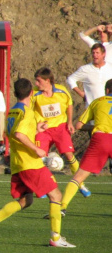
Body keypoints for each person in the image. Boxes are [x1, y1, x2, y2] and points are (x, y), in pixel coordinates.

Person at [0, 78, 75, 248]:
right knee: (56, 196)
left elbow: (13, 132)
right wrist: (37, 150)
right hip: (31, 163)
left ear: (15, 94)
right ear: (31, 93)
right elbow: (19, 135)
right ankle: (56, 237)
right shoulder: (28, 112)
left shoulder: (13, 112)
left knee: (26, 200)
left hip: (17, 164)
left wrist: (36, 130)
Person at [31, 67, 90, 198]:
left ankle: (80, 185)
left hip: (60, 128)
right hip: (44, 130)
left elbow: (69, 104)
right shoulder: (34, 94)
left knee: (69, 155)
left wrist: (69, 122)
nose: (36, 84)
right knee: (38, 158)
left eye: (38, 81)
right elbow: (28, 109)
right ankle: (41, 189)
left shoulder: (61, 91)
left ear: (47, 81)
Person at [60, 79, 112, 214]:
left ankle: (62, 207)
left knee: (78, 177)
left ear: (107, 90)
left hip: (100, 139)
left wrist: (96, 126)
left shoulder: (98, 101)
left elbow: (78, 125)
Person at [67, 43, 112, 107]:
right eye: (93, 53)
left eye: (97, 53)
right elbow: (70, 79)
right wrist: (81, 93)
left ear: (103, 54)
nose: (95, 55)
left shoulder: (110, 67)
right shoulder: (85, 69)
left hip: (108, 107)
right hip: (92, 107)